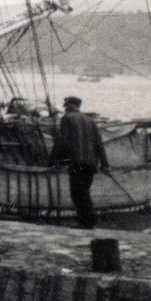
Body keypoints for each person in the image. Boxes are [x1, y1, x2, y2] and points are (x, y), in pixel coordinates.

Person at [49, 95, 110, 229]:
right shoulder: (90, 120)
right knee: (84, 191)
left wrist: (53, 160)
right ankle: (88, 221)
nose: (65, 109)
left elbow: (63, 142)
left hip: (77, 162)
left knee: (77, 193)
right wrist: (105, 165)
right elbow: (99, 144)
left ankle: (87, 222)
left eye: (66, 106)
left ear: (71, 106)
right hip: (91, 163)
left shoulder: (67, 118)